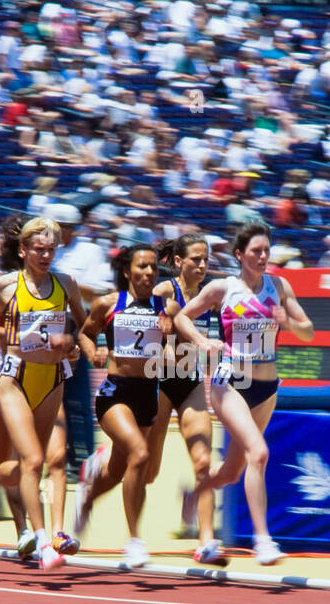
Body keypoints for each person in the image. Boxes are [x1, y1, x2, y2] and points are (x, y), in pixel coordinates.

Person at [173, 222, 314, 566]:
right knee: (259, 452)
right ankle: (263, 540)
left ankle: (193, 496)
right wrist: (203, 342)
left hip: (266, 388)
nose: (263, 257)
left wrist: (289, 323)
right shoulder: (223, 289)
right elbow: (181, 318)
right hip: (230, 383)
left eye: (266, 251)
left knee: (234, 471)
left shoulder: (279, 286)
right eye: (256, 251)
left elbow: (308, 331)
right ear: (240, 255)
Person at [0, 217, 89, 570]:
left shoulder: (66, 284)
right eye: (39, 250)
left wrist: (74, 344)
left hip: (52, 379)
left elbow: (86, 324)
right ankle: (44, 540)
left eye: (51, 250)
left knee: (32, 465)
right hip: (13, 378)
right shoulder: (6, 285)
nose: (46, 256)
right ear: (23, 250)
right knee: (32, 460)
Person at [73, 244, 171, 568]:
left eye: (153, 268)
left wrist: (171, 343)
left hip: (148, 393)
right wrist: (93, 353)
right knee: (140, 454)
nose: (148, 273)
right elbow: (85, 335)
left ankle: (86, 499)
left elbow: (171, 349)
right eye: (142, 267)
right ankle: (134, 541)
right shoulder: (108, 304)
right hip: (115, 393)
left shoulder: (164, 308)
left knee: (117, 472)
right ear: (128, 271)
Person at [145, 233, 221, 562]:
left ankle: (206, 542)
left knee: (203, 462)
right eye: (195, 260)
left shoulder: (212, 295)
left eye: (206, 259)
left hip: (189, 383)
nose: (203, 265)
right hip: (158, 382)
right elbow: (138, 316)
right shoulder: (164, 291)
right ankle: (102, 463)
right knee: (148, 471)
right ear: (179, 262)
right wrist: (158, 323)